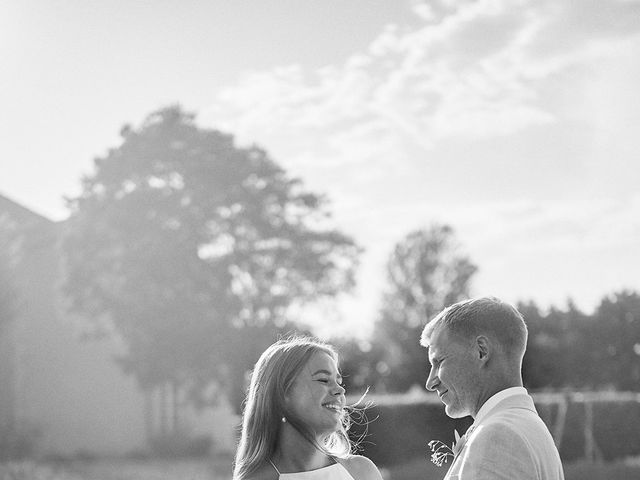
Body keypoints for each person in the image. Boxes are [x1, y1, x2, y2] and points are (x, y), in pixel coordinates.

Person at [421, 296, 564, 480]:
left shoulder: (498, 434)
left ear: (481, 351)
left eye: (439, 361)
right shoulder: (531, 428)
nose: (430, 382)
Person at [233, 335, 383, 480]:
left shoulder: (362, 472)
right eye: (323, 380)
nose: (340, 390)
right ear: (282, 393)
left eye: (338, 381)